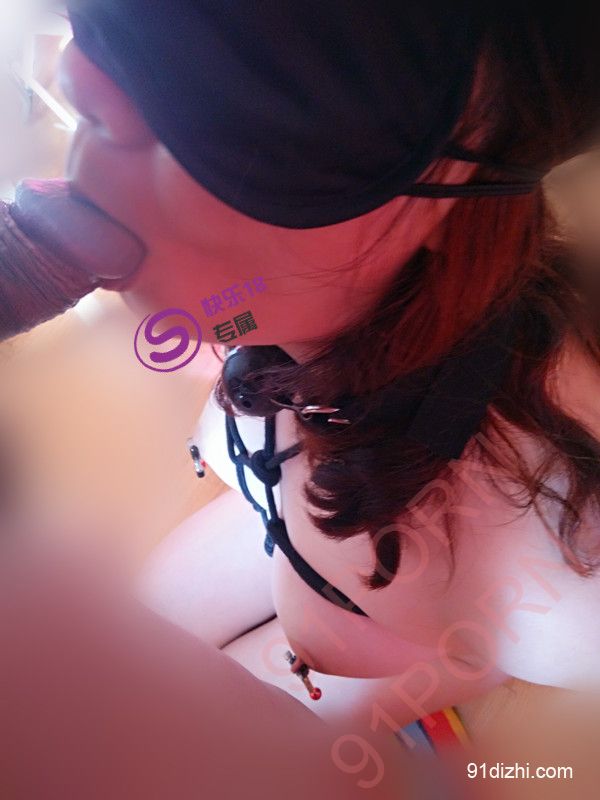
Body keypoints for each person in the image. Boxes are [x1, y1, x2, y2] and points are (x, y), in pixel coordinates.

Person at [3, 0, 600, 794]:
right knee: (151, 617)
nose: (81, 88)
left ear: (444, 189)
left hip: (406, 601)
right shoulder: (255, 307)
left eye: (240, 111)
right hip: (313, 511)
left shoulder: (553, 568)